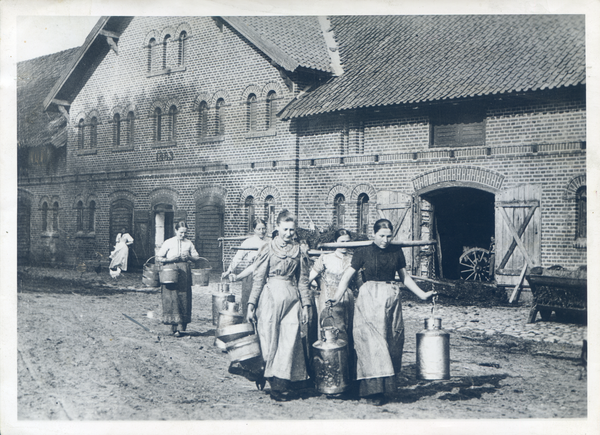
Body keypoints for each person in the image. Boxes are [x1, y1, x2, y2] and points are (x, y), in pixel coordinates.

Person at [331, 219, 435, 405]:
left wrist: (422, 294)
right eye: (381, 236)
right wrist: (337, 296)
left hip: (390, 299)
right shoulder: (363, 252)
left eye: (389, 236)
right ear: (374, 234)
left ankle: (384, 387)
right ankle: (372, 391)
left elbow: (405, 277)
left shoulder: (396, 252)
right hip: (369, 299)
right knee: (372, 344)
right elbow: (348, 276)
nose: (385, 240)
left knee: (390, 341)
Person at [246, 210, 312, 402]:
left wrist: (306, 305)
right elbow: (258, 279)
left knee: (289, 340)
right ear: (277, 227)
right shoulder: (268, 248)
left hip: (292, 298)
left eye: (292, 230)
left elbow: (303, 280)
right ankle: (268, 375)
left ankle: (280, 385)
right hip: (270, 298)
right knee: (269, 340)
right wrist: (251, 304)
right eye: (285, 229)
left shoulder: (299, 250)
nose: (289, 233)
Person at [308, 228, 354, 345]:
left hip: (347, 298)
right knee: (329, 328)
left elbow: (360, 282)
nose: (344, 245)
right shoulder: (326, 258)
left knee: (346, 328)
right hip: (328, 297)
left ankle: (345, 360)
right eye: (341, 242)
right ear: (335, 242)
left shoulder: (353, 259)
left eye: (347, 242)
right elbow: (310, 277)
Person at [156, 221, 201, 337]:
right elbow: (159, 257)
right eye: (181, 232)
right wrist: (170, 259)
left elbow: (197, 257)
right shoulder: (168, 242)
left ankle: (181, 327)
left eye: (185, 233)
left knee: (183, 297)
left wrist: (189, 257)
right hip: (170, 272)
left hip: (184, 273)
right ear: (176, 231)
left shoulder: (189, 243)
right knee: (171, 297)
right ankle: (171, 327)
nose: (183, 235)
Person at [222, 218, 268, 317]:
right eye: (259, 229)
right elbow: (238, 258)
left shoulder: (269, 241)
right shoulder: (249, 242)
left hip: (265, 272)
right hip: (250, 273)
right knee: (248, 296)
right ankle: (247, 322)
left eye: (263, 229)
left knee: (263, 299)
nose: (262, 231)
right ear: (254, 230)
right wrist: (229, 270)